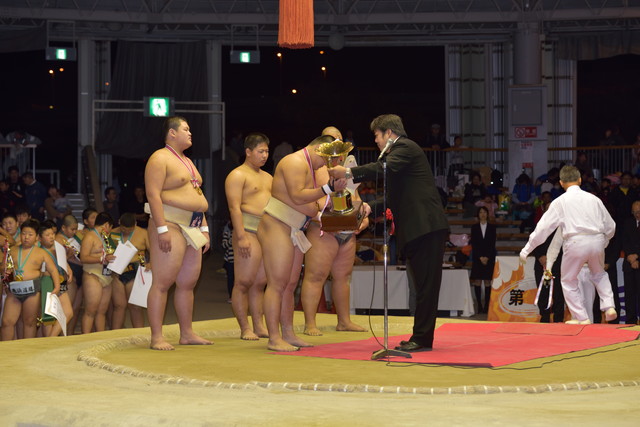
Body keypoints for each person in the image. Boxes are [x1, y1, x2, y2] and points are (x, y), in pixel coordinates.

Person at [330, 114, 449, 353]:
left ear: (389, 133)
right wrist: (368, 207)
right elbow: (392, 198)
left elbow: (382, 168)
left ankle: (422, 338)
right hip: (419, 229)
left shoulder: (405, 147)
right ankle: (421, 337)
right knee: (422, 286)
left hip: (425, 228)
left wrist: (347, 172)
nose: (375, 140)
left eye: (376, 135)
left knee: (425, 287)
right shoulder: (398, 156)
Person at [257, 134, 347, 352]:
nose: (325, 165)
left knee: (289, 285)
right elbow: (297, 196)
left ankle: (288, 333)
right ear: (318, 149)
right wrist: (327, 189)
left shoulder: (310, 166)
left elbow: (308, 201)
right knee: (277, 283)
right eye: (325, 159)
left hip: (296, 228)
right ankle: (274, 337)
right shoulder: (294, 162)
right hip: (277, 224)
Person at [144, 116, 211, 350]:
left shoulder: (188, 161)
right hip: (169, 223)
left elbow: (197, 197)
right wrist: (161, 228)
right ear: (172, 133)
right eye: (186, 129)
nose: (190, 133)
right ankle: (157, 337)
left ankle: (187, 333)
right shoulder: (159, 158)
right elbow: (153, 194)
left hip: (193, 225)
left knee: (188, 282)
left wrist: (204, 228)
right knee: (162, 282)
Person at [519, 165, 617, 324]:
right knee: (599, 274)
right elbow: (611, 226)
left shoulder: (560, 202)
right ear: (580, 180)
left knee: (568, 280)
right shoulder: (594, 199)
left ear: (561, 183)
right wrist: (604, 241)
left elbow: (542, 229)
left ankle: (582, 317)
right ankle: (609, 306)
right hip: (597, 240)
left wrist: (526, 250)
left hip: (576, 241)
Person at [300, 126, 369, 336]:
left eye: (339, 138)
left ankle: (344, 321)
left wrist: (363, 219)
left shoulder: (348, 168)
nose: (336, 142)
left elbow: (354, 197)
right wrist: (319, 215)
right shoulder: (314, 168)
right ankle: (310, 323)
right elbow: (304, 197)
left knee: (343, 277)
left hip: (347, 230)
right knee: (315, 276)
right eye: (331, 139)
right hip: (323, 230)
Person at [224, 132, 271, 340]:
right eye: (261, 151)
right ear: (248, 152)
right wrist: (241, 235)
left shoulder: (268, 177)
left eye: (267, 151)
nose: (265, 155)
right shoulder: (237, 175)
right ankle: (245, 328)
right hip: (247, 230)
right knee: (243, 282)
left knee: (260, 282)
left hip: (265, 232)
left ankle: (259, 325)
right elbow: (234, 208)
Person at [1, 219, 60, 340]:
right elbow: (3, 267)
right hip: (14, 290)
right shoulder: (13, 250)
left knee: (29, 322)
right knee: (7, 321)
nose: (26, 237)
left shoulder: (41, 253)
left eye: (30, 234)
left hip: (32, 291)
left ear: (37, 237)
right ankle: (4, 349)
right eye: (23, 233)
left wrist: (57, 287)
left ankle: (27, 349)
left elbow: (53, 270)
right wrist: (5, 271)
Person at [108, 212, 151, 329]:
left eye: (130, 230)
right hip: (116, 272)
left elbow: (153, 251)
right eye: (123, 229)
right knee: (119, 305)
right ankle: (115, 334)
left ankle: (139, 333)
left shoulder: (143, 233)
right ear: (119, 223)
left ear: (135, 224)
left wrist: (151, 263)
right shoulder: (112, 233)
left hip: (135, 271)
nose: (126, 232)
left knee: (135, 306)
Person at [80, 212, 116, 334]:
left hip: (106, 275)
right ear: (106, 225)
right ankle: (85, 339)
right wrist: (101, 258)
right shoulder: (90, 236)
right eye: (110, 227)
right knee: (90, 311)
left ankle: (100, 338)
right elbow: (83, 257)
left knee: (102, 311)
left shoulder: (106, 237)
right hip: (92, 274)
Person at [38, 220, 74, 337]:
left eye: (52, 234)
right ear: (39, 238)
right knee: (49, 317)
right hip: (47, 284)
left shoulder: (57, 248)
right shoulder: (38, 252)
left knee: (68, 312)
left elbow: (63, 262)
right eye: (47, 235)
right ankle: (50, 341)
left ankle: (51, 339)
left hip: (61, 282)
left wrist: (69, 269)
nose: (51, 237)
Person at [55, 214, 83, 335]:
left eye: (76, 229)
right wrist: (68, 256)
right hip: (69, 276)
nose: (75, 231)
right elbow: (58, 262)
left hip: (80, 272)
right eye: (72, 229)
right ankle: (61, 336)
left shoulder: (76, 237)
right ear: (63, 228)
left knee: (75, 309)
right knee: (67, 310)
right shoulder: (58, 240)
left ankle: (70, 335)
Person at [469, 206, 496, 314]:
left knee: (488, 281)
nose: (483, 214)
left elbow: (492, 244)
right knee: (478, 281)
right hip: (477, 258)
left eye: (484, 212)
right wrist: (480, 257)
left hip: (489, 258)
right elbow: (474, 244)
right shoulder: (474, 227)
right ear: (478, 214)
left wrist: (487, 257)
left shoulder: (492, 227)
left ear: (487, 214)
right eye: (481, 212)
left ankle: (487, 305)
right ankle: (479, 305)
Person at [621, 200, 640, 324]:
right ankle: (631, 322)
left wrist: (637, 256)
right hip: (629, 264)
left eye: (639, 211)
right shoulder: (627, 223)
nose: (637, 214)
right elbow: (624, 241)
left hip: (637, 261)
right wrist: (630, 257)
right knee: (629, 295)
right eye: (635, 212)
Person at [221, 220, 234, 303]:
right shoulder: (228, 233)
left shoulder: (244, 235)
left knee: (239, 280)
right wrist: (231, 240)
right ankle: (231, 296)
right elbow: (223, 245)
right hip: (230, 260)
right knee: (230, 278)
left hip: (241, 261)